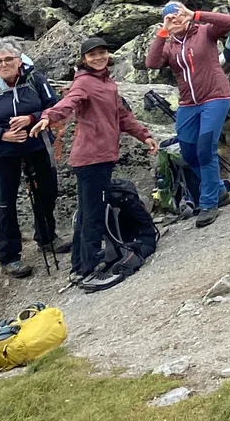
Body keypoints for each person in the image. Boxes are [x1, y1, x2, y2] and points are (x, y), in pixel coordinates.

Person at [35, 37, 158, 281]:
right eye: (92, 55)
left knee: (86, 213)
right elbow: (68, 103)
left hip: (100, 158)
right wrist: (48, 117)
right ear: (84, 59)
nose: (98, 58)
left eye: (102, 53)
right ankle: (88, 269)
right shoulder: (84, 83)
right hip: (91, 159)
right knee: (93, 215)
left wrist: (145, 136)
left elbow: (122, 116)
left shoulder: (108, 83)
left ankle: (79, 266)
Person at [0, 41, 62, 279]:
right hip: (3, 152)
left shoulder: (36, 80)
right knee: (6, 203)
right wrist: (2, 135)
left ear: (20, 61)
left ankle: (47, 237)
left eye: (9, 59)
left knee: (47, 191)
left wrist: (31, 118)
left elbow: (56, 107)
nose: (4, 64)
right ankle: (9, 256)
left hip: (37, 144)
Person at [144, 1, 230, 227]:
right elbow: (151, 62)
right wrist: (163, 32)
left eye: (178, 16)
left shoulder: (204, 31)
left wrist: (194, 15)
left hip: (215, 97)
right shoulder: (170, 45)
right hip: (188, 103)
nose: (176, 20)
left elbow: (229, 22)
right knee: (188, 152)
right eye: (170, 18)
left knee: (205, 149)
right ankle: (220, 189)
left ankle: (208, 203)